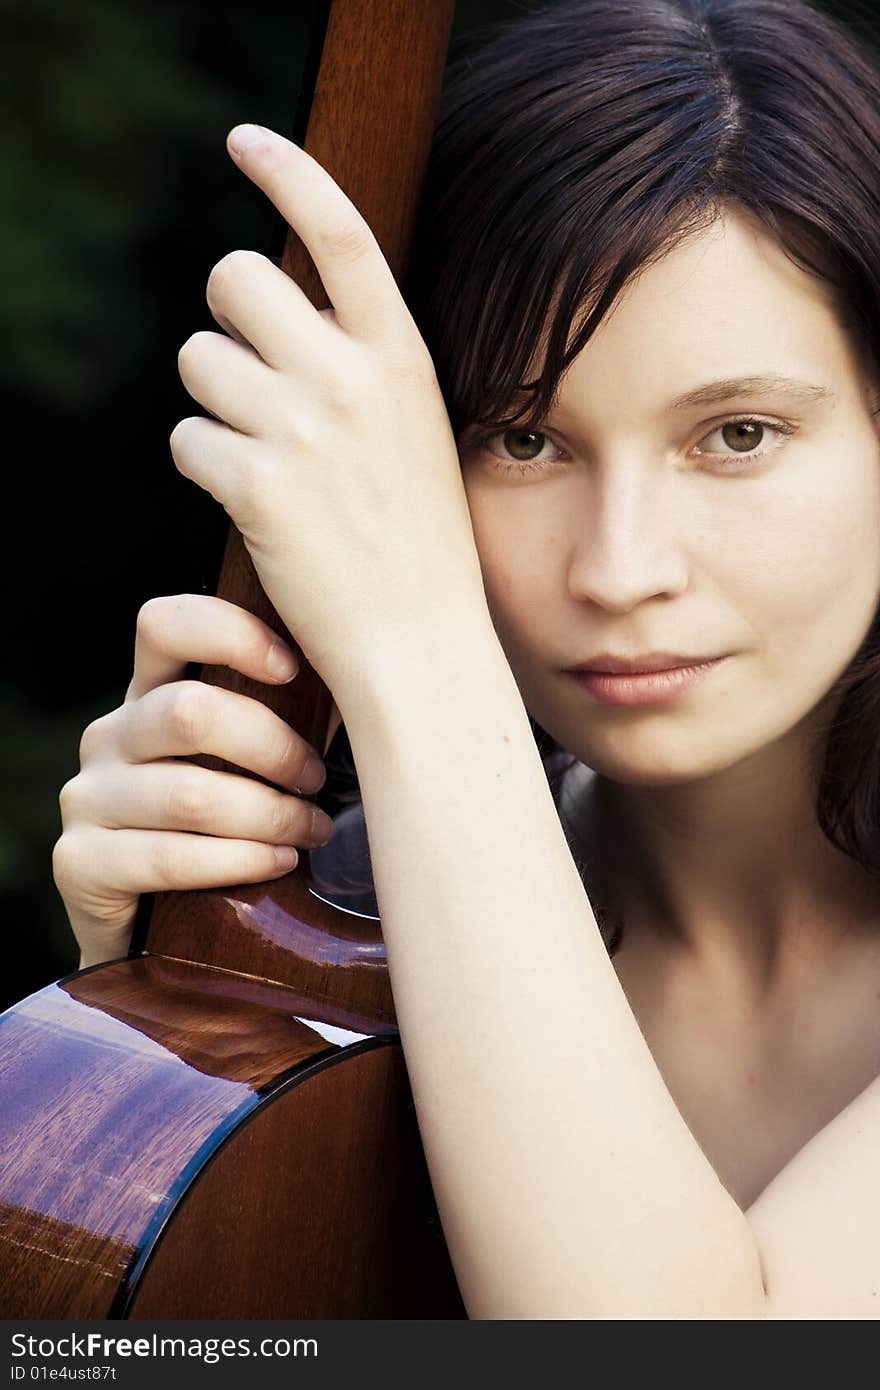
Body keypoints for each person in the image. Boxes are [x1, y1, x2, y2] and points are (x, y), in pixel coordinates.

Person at [51, 0, 880, 1318]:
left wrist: (413, 643)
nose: (618, 568)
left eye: (736, 434)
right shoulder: (340, 915)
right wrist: (171, 1029)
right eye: (524, 439)